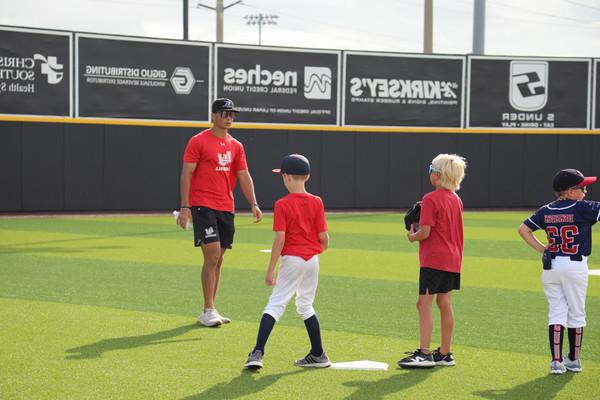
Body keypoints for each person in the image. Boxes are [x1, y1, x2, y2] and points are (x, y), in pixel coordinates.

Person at [177, 98, 262, 327]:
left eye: (232, 114)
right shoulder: (198, 141)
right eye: (224, 113)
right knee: (212, 255)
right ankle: (207, 309)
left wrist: (253, 203)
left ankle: (211, 308)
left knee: (219, 259)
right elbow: (186, 174)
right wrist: (185, 207)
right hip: (202, 205)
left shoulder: (236, 145)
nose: (229, 117)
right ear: (213, 115)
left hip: (226, 207)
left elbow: (244, 175)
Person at [244, 154, 331, 370]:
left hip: (293, 259)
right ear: (307, 176)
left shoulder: (282, 204)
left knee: (275, 304)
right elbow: (325, 240)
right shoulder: (317, 201)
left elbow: (280, 239)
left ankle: (257, 352)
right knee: (305, 305)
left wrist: (270, 269)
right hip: (312, 260)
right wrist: (314, 250)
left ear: (286, 177)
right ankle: (318, 354)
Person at [517, 169, 597, 375]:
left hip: (551, 265)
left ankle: (556, 361)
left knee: (557, 311)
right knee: (576, 313)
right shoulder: (583, 208)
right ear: (569, 192)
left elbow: (523, 229)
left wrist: (543, 248)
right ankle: (574, 360)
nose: (585, 192)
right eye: (582, 188)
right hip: (575, 265)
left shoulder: (546, 210)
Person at [398, 153, 467, 369]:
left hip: (434, 259)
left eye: (431, 170)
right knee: (444, 303)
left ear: (437, 175)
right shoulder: (456, 199)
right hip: (453, 259)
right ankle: (445, 353)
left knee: (423, 303)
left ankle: (424, 353)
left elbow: (425, 232)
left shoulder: (430, 198)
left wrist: (412, 236)